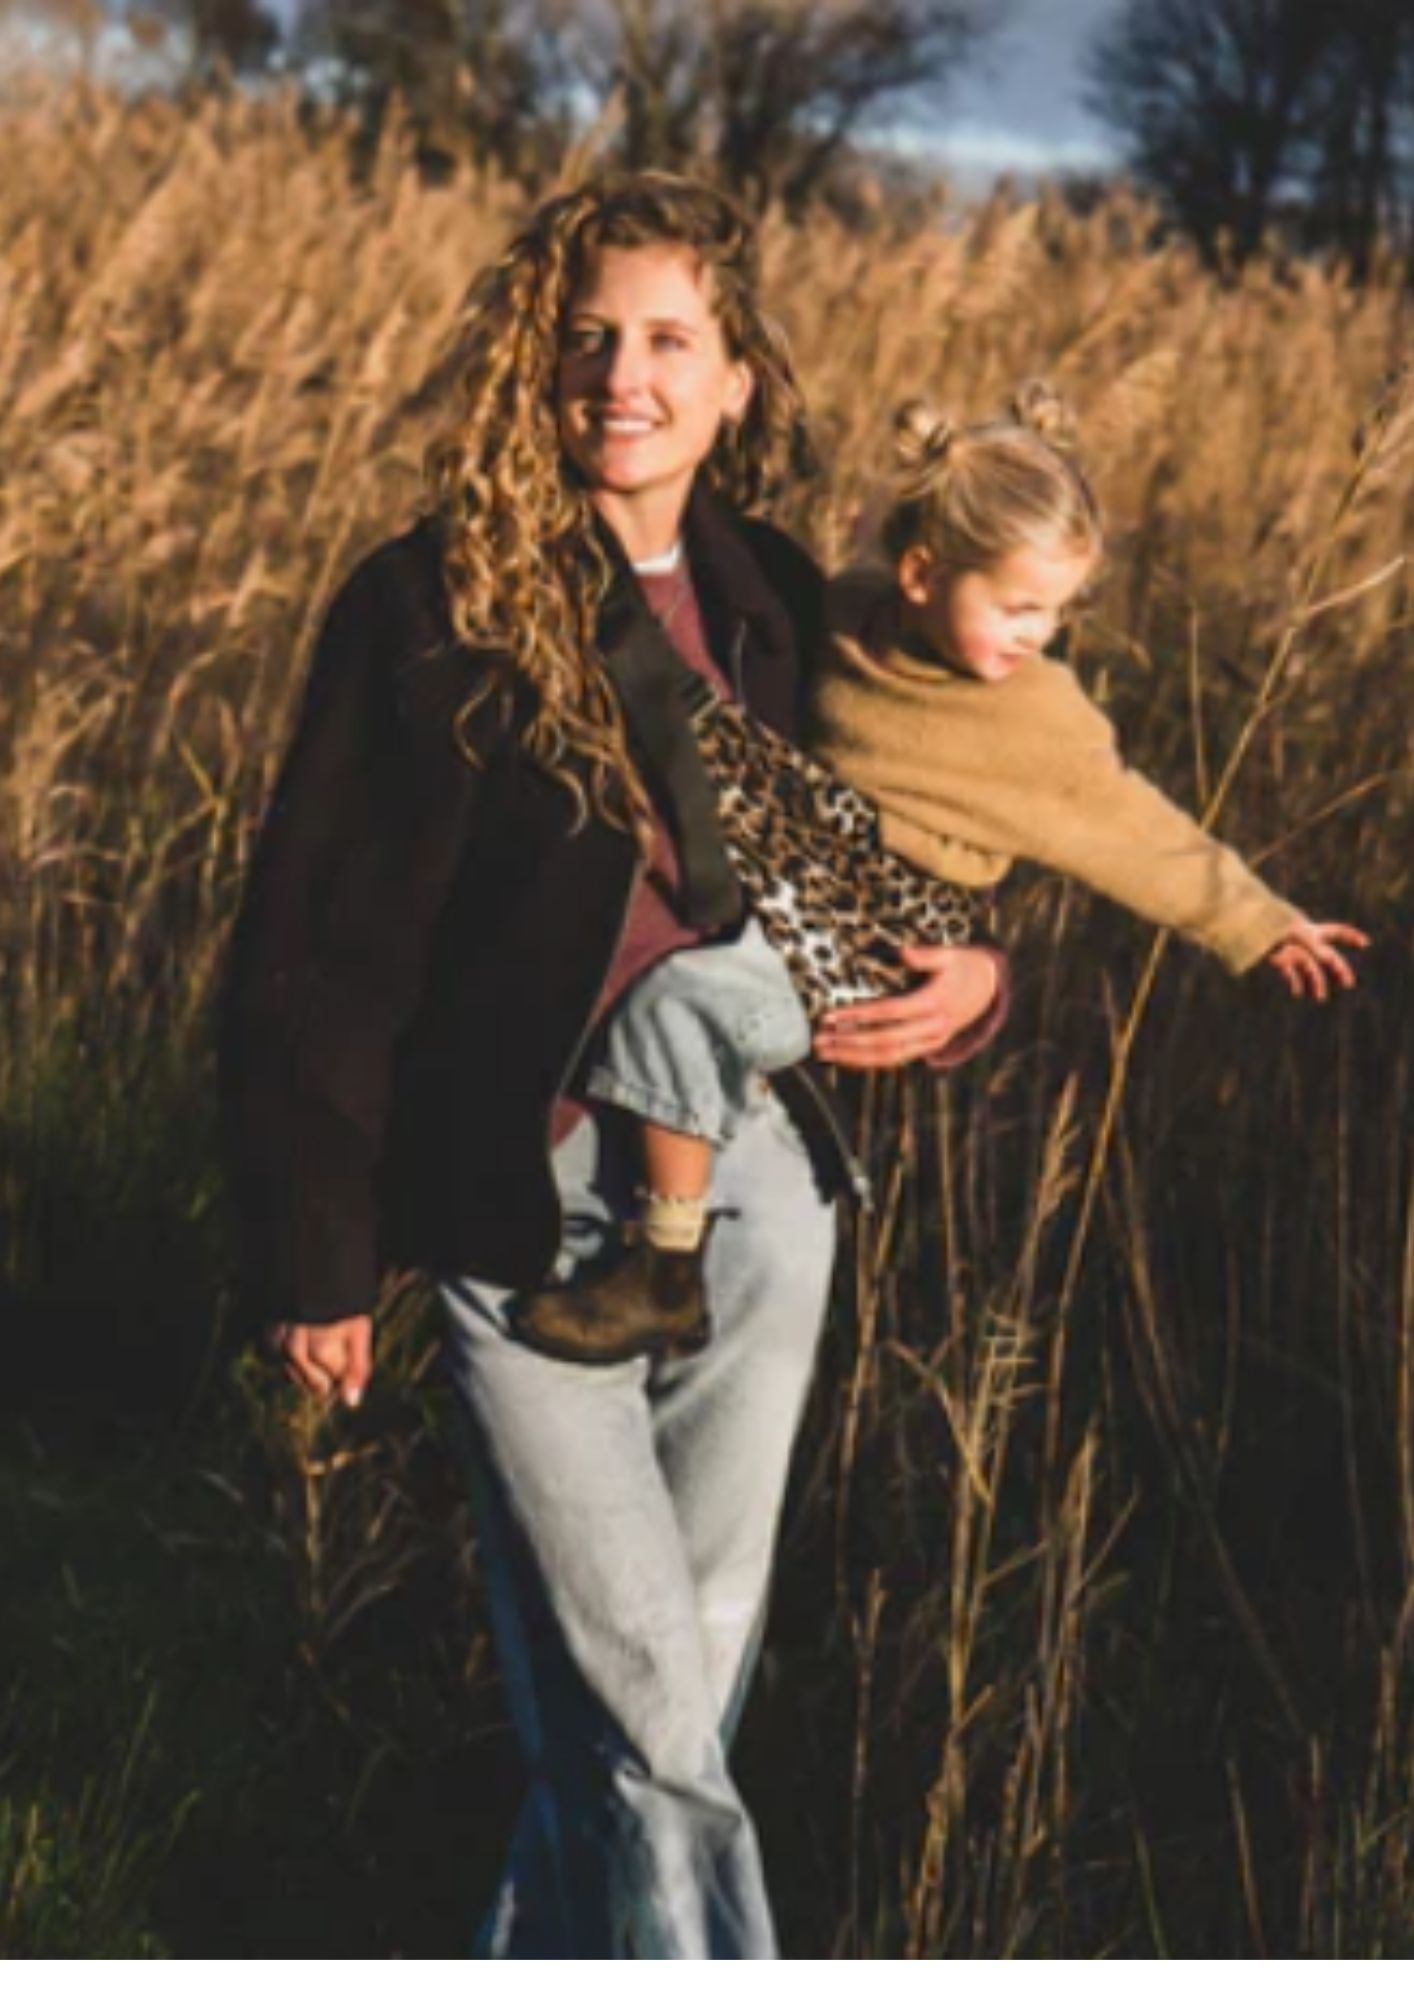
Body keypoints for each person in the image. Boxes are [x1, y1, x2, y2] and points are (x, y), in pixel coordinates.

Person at [218, 171, 1008, 1958]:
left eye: (666, 339)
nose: (620, 377)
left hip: (756, 1189)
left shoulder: (781, 601)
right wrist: (315, 1247)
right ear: (537, 361)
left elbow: (933, 828)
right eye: (586, 338)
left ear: (736, 381)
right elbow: (313, 947)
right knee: (646, 1711)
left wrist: (972, 976)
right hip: (523, 1198)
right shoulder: (432, 601)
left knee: (672, 1696)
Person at [518, 383, 1367, 1368]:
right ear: (920, 575)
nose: (1038, 636)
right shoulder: (844, 617)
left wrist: (1259, 921)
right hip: (794, 884)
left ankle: (665, 1271)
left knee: (680, 1005)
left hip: (879, 933)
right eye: (1017, 607)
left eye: (1056, 612)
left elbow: (1137, 828)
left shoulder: (1036, 717)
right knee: (688, 992)